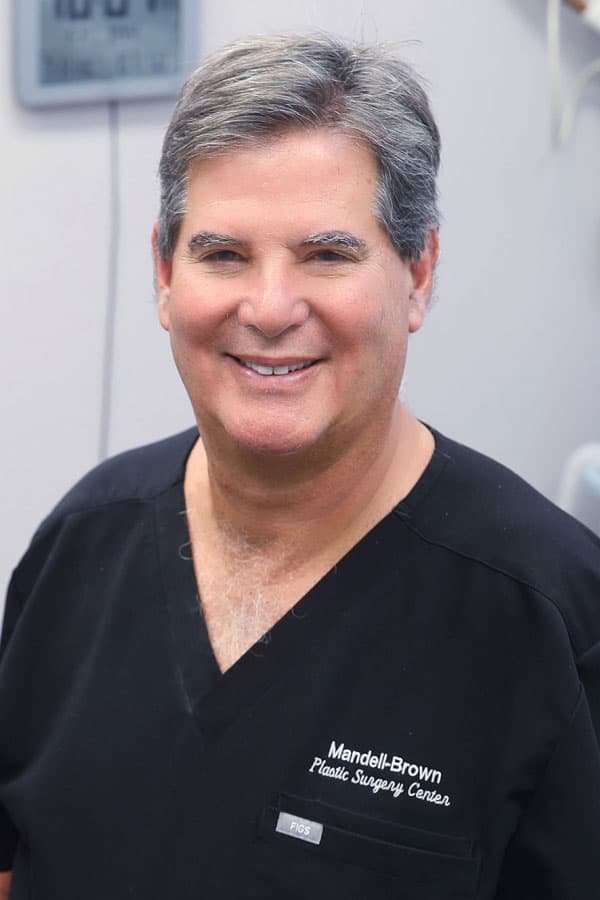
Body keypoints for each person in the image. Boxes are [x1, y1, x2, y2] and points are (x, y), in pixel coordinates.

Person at [1, 32, 600, 900]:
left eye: (327, 254)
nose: (271, 308)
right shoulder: (83, 543)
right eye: (223, 254)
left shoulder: (548, 617)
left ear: (418, 270)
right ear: (164, 273)